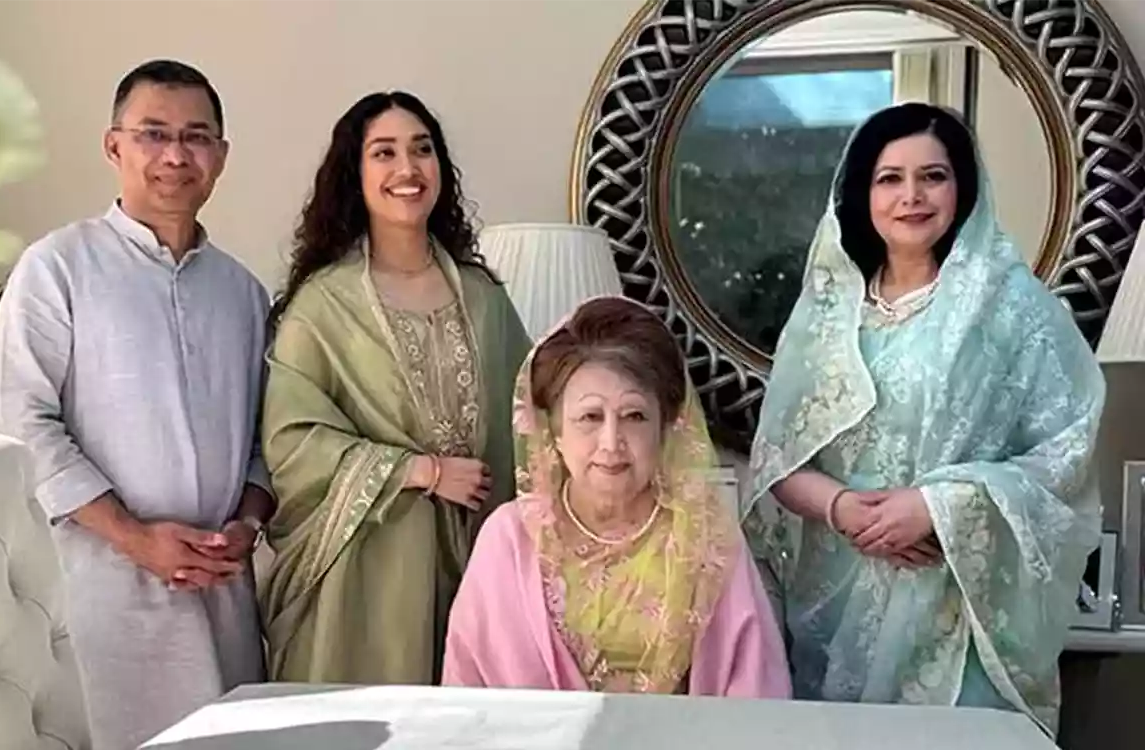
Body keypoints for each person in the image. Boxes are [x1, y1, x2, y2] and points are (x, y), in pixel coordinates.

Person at [743, 102, 1105, 736]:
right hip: (841, 597)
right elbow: (779, 459)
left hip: (960, 606)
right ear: (863, 193)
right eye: (890, 178)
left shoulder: (1011, 308)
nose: (911, 196)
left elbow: (1066, 452)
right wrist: (843, 509)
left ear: (963, 188)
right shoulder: (827, 313)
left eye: (933, 176)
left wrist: (940, 507)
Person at [0, 59, 272, 750]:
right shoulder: (58, 267)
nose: (175, 155)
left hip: (221, 594)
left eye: (196, 136)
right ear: (114, 146)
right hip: (100, 596)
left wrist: (247, 523)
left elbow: (267, 440)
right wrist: (134, 537)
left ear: (221, 155)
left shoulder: (243, 293)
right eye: (153, 134)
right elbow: (22, 420)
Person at [259, 90, 532, 685]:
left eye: (421, 149)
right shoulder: (324, 305)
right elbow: (291, 442)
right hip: (369, 584)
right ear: (354, 175)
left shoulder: (484, 299)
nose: (407, 168)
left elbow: (534, 418)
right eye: (383, 152)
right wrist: (420, 472)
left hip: (480, 564)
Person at [442, 296, 792, 697]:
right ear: (555, 432)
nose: (611, 443)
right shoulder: (510, 538)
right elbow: (466, 697)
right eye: (590, 417)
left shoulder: (707, 538)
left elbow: (754, 692)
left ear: (666, 428)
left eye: (634, 416)